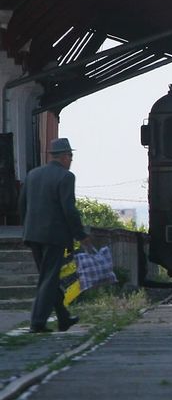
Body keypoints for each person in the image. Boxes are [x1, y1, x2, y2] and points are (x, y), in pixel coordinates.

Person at [19, 137, 88, 333]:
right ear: (65, 156)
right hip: (54, 236)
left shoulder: (32, 175)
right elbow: (69, 209)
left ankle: (63, 318)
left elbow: (22, 204)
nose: (71, 160)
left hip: (33, 235)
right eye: (71, 156)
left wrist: (27, 228)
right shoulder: (66, 177)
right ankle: (37, 322)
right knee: (48, 279)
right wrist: (80, 234)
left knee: (48, 277)